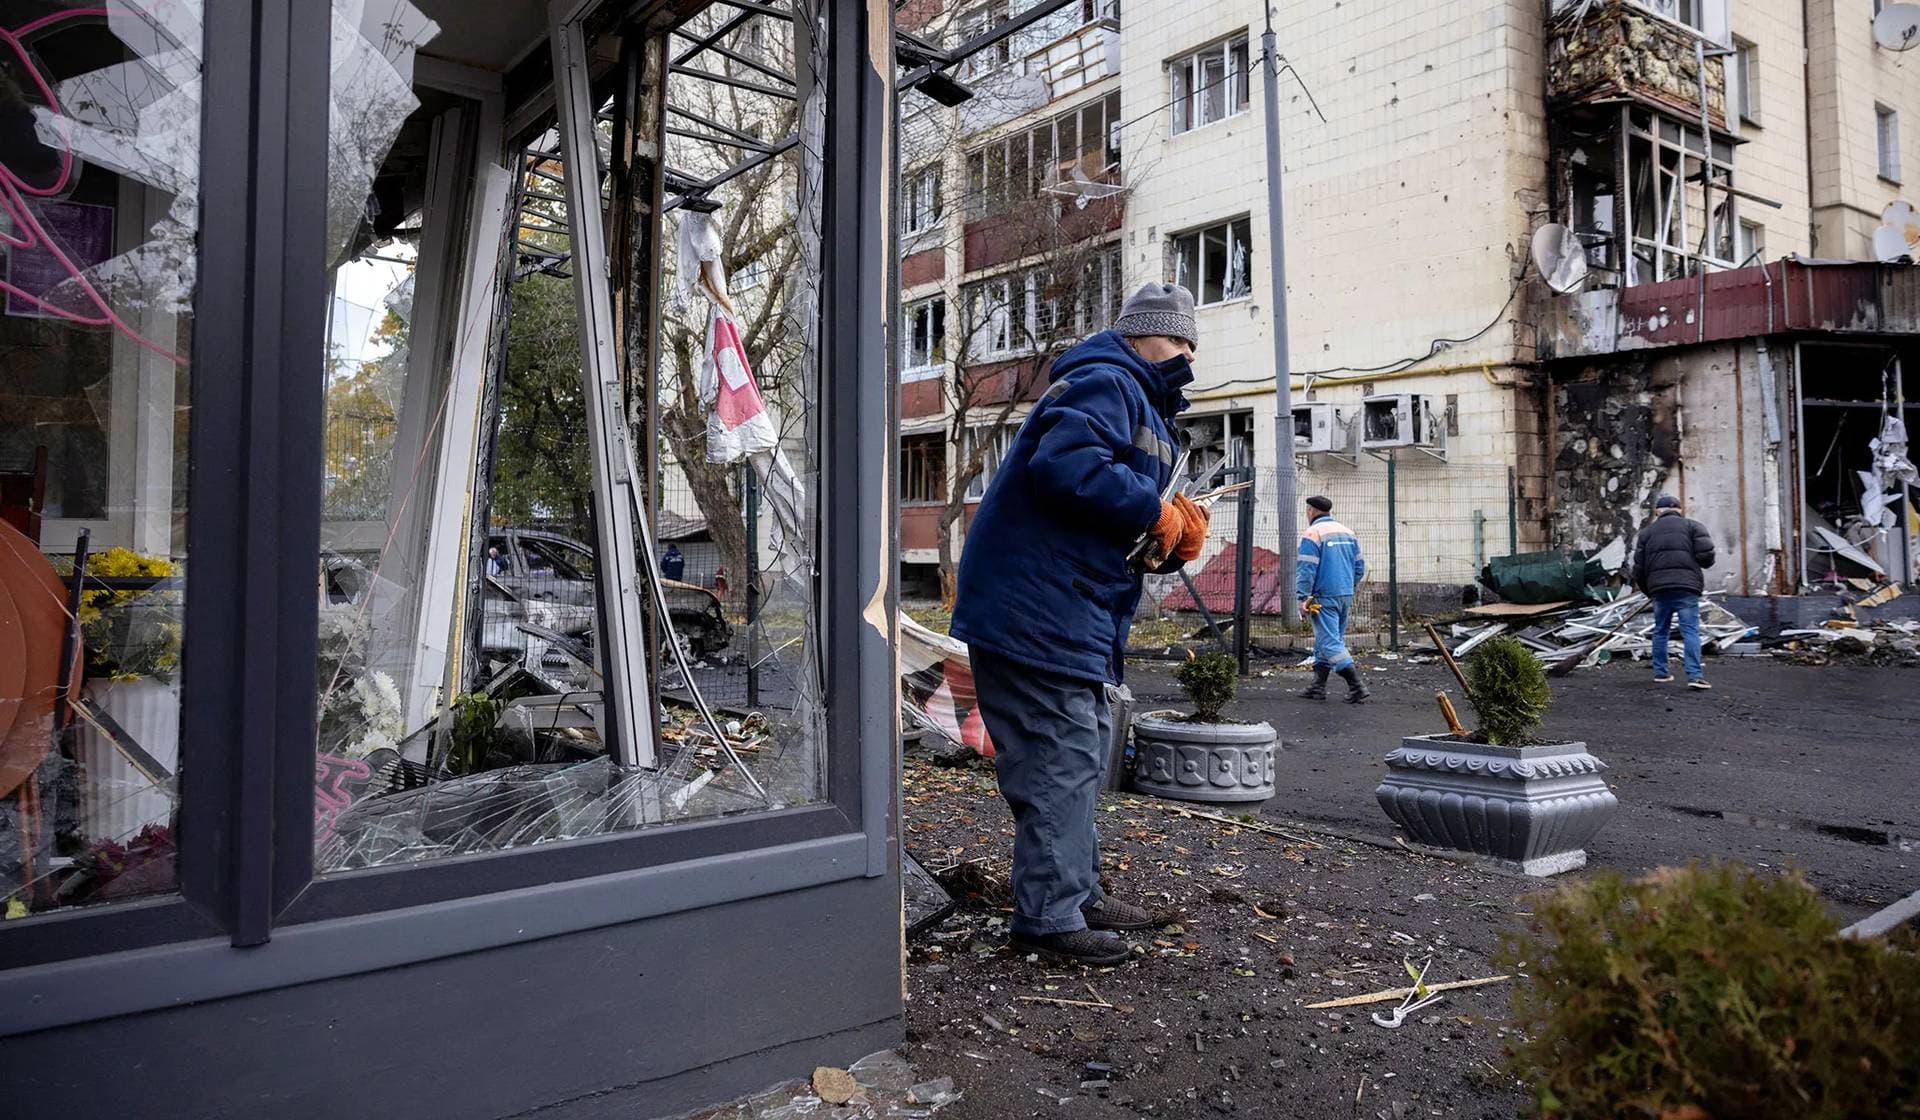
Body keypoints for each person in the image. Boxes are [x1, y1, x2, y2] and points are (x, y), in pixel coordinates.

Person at [951, 282, 1211, 967]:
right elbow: (1066, 466)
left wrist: (1165, 540)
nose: (1184, 355)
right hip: (1036, 612)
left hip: (1064, 609)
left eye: (1192, 344)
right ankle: (1049, 918)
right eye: (1174, 340)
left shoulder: (1140, 402)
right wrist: (1153, 512)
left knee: (1081, 753)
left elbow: (1098, 521)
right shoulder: (1108, 381)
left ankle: (1075, 892)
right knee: (1062, 760)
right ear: (1137, 335)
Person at [1631, 493, 1716, 690]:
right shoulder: (1693, 527)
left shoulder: (1646, 533)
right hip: (1686, 588)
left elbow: (1638, 569)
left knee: (1660, 631)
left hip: (1659, 590)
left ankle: (1661, 673)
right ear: (1679, 509)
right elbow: (1707, 557)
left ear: (1657, 512)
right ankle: (1694, 675)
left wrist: (1649, 591)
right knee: (1690, 631)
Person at [1296, 495, 1369, 703]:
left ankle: (1356, 686)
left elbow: (1306, 569)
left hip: (1322, 597)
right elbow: (1359, 567)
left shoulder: (1313, 533)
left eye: (1307, 511)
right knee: (1326, 639)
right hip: (1344, 594)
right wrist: (1348, 585)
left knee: (1329, 642)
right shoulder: (1347, 532)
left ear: (1311, 511)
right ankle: (1318, 687)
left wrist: (1303, 597)